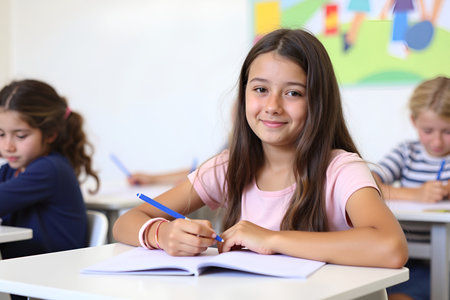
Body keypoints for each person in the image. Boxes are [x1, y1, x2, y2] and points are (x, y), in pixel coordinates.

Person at [113, 28, 408, 269]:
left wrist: (271, 239)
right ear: (244, 95)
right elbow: (127, 221)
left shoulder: (340, 170)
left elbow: (391, 248)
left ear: (318, 101)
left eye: (293, 93)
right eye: (260, 89)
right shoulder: (227, 167)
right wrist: (162, 233)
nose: (272, 106)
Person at [0, 79, 100, 261]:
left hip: (49, 280)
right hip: (22, 276)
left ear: (50, 134)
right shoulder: (8, 171)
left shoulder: (51, 169)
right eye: (0, 134)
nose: (8, 146)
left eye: (20, 136)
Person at [372, 76, 450, 300]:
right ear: (414, 121)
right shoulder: (407, 152)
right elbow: (370, 182)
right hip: (402, 257)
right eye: (428, 130)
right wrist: (414, 194)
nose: (437, 141)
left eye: (447, 131)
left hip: (441, 263)